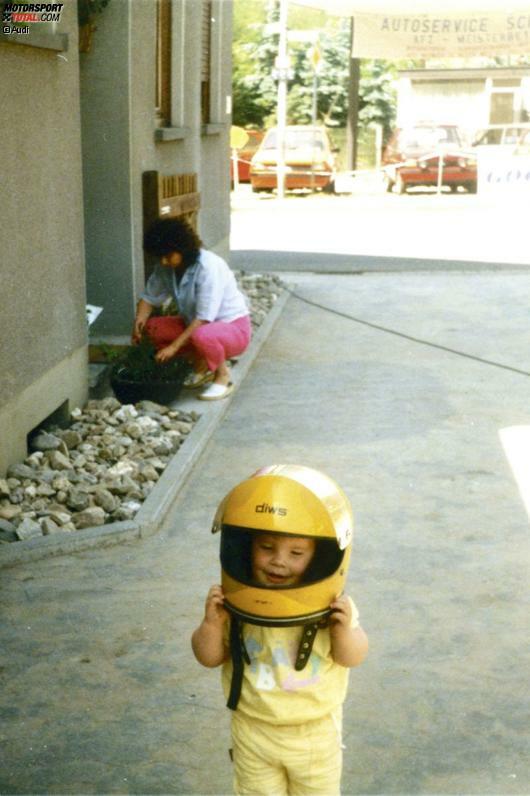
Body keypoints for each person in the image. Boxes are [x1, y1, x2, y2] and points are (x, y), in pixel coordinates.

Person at [191, 465, 369, 796]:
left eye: (296, 553)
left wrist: (345, 629)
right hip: (253, 728)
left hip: (313, 733)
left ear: (319, 556)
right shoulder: (234, 602)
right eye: (266, 547)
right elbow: (208, 657)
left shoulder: (332, 608)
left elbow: (353, 657)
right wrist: (211, 624)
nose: (278, 561)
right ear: (246, 546)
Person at [133, 217, 251, 401]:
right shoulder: (166, 267)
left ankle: (223, 377)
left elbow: (204, 318)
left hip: (233, 329)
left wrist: (173, 347)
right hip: (196, 326)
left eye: (168, 255)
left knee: (203, 335)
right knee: (152, 328)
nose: (163, 261)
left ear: (183, 248)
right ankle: (201, 364)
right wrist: (138, 325)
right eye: (160, 256)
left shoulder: (208, 267)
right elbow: (149, 298)